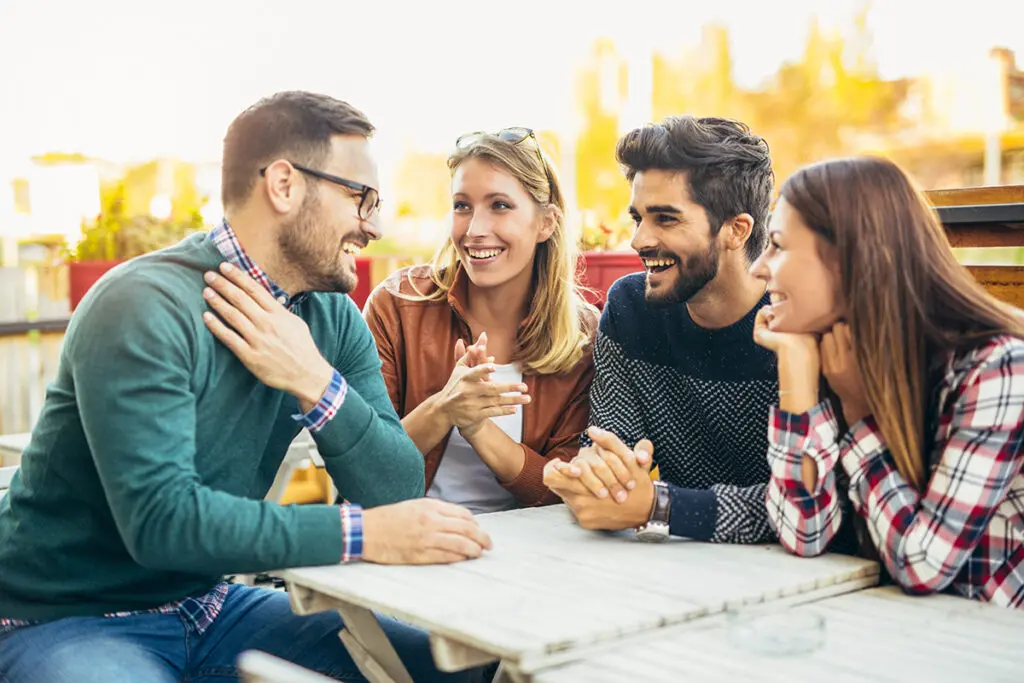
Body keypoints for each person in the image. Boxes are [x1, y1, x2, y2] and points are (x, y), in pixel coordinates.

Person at [0, 91, 491, 682]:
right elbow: (162, 522)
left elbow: (397, 485)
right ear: (283, 185)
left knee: (464, 669)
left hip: (212, 609)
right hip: (66, 618)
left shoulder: (331, 318)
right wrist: (364, 534)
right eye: (360, 198)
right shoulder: (142, 306)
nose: (374, 225)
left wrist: (314, 381)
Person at [752, 156, 1024, 607]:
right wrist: (796, 376)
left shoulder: (997, 368)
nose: (757, 269)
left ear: (848, 259)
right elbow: (805, 533)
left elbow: (921, 563)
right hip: (901, 633)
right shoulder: (830, 351)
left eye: (777, 246)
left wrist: (860, 413)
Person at [543, 116, 780, 543]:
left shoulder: (796, 323)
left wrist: (663, 506)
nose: (638, 240)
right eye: (638, 218)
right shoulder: (632, 309)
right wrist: (593, 473)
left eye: (665, 219)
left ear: (736, 230)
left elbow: (811, 507)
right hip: (672, 571)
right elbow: (611, 441)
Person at [363, 127, 598, 513]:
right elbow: (365, 467)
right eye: (462, 205)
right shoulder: (397, 305)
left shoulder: (583, 336)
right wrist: (444, 410)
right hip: (405, 538)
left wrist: (478, 429)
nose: (474, 230)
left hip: (530, 554)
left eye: (500, 205)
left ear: (546, 222)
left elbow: (568, 489)